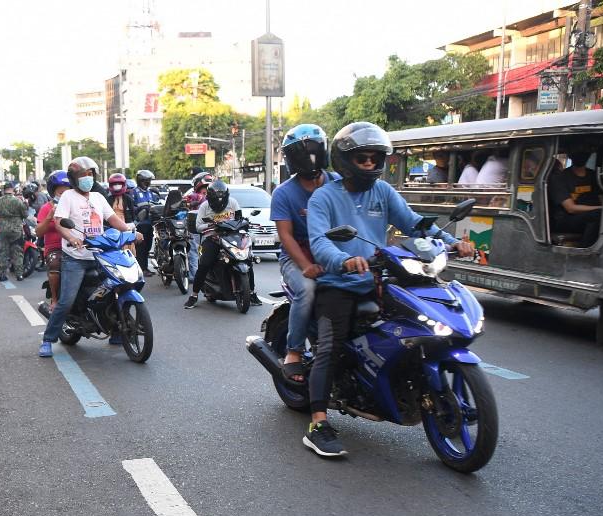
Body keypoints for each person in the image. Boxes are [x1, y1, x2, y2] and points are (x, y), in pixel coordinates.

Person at [304, 122, 475, 457]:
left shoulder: (382, 191)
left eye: (375, 157)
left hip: (379, 278)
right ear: (345, 160)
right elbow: (320, 242)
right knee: (329, 346)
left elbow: (414, 223)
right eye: (362, 157)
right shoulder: (325, 196)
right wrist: (344, 260)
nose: (370, 163)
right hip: (338, 283)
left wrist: (454, 242)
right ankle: (318, 423)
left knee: (415, 323)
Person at [38, 156, 138, 357]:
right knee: (66, 301)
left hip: (100, 254)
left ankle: (117, 331)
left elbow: (112, 219)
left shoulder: (98, 198)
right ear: (74, 178)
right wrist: (71, 238)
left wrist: (131, 231)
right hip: (75, 257)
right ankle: (48, 340)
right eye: (84, 175)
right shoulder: (68, 197)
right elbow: (59, 222)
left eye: (91, 174)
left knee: (116, 288)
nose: (88, 178)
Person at [271, 124, 338, 382]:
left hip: (333, 253)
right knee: (307, 290)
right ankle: (294, 351)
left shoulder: (337, 184)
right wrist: (305, 266)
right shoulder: (284, 193)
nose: (309, 158)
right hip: (296, 256)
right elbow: (285, 236)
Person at [184, 179, 261, 309]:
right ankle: (194, 295)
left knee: (247, 259)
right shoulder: (204, 206)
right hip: (213, 237)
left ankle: (252, 293)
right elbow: (198, 227)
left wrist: (245, 223)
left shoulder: (233, 203)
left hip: (232, 236)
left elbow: (239, 219)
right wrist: (210, 225)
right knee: (205, 264)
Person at [548, 145, 602, 247]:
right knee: (597, 215)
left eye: (585, 152)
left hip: (586, 215)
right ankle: (585, 250)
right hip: (564, 219)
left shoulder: (593, 176)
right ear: (570, 156)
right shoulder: (560, 178)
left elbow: (601, 198)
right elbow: (570, 208)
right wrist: (601, 208)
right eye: (577, 152)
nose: (581, 155)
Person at [35, 170, 70, 309]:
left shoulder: (75, 206)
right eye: (61, 192)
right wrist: (49, 217)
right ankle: (55, 300)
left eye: (67, 192)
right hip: (55, 248)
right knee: (55, 264)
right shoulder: (46, 208)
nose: (64, 195)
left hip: (75, 245)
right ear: (53, 192)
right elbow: (38, 232)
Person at [0, 182, 29, 281]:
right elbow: (25, 214)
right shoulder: (17, 201)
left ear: (4, 190)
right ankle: (19, 274)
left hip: (3, 229)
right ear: (12, 190)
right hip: (16, 229)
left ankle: (3, 275)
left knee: (3, 252)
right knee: (17, 252)